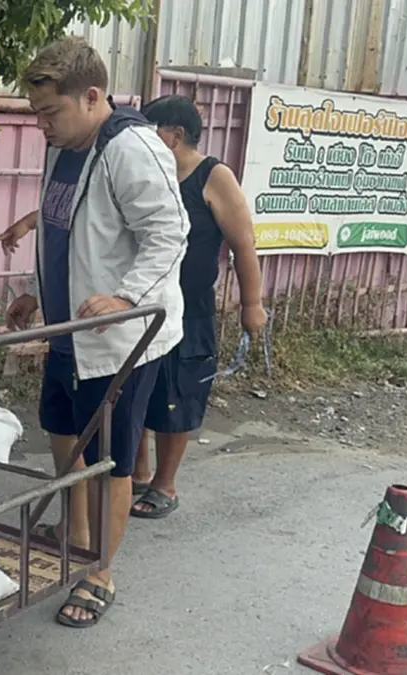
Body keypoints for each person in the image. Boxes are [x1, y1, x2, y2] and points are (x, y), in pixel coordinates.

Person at [0, 37, 188, 629]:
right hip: (68, 328)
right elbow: (63, 232)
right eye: (37, 112)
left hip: (119, 339)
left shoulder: (131, 148)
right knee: (61, 431)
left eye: (50, 112)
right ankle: (75, 535)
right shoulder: (64, 148)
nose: (41, 124)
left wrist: (127, 295)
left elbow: (170, 233)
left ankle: (99, 571)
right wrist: (36, 291)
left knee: (109, 460)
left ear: (93, 96)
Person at [129, 95, 267, 519]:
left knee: (178, 394)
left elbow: (244, 243)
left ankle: (165, 485)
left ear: (173, 136)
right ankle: (138, 472)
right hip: (145, 306)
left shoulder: (213, 176)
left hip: (190, 309)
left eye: (149, 132)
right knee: (138, 390)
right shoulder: (149, 175)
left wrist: (252, 305)